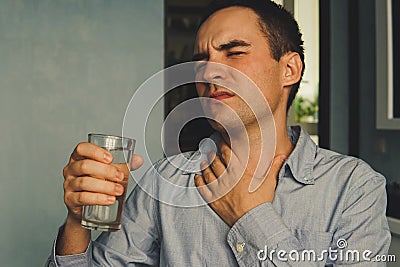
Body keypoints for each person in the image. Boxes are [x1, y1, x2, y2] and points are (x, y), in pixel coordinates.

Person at [46, 1, 391, 266]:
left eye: (235, 52)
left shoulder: (354, 188)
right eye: (201, 60)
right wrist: (77, 223)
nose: (210, 71)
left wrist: (249, 218)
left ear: (289, 69)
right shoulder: (164, 181)